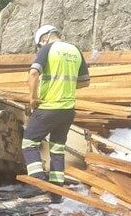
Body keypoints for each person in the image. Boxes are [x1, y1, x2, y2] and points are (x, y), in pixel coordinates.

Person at [23, 25, 89, 187]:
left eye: (40, 44)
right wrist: (63, 85)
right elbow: (85, 82)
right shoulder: (75, 50)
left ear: (44, 38)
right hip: (67, 109)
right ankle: (56, 188)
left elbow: (33, 74)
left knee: (29, 143)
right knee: (58, 148)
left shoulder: (47, 49)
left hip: (48, 107)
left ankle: (39, 181)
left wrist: (33, 98)